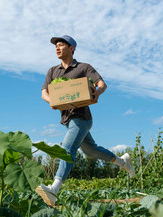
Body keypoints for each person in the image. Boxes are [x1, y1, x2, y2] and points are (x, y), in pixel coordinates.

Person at [36, 35, 135, 206]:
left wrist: (97, 92)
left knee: (67, 149)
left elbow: (102, 84)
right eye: (56, 46)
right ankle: (123, 161)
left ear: (72, 48)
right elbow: (44, 91)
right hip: (67, 119)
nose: (57, 48)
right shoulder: (53, 71)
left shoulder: (83, 67)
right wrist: (51, 100)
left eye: (61, 45)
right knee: (90, 151)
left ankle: (54, 189)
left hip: (81, 117)